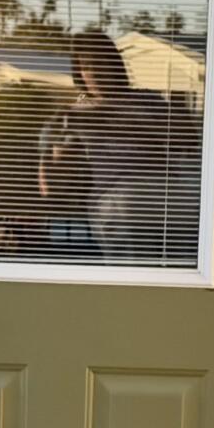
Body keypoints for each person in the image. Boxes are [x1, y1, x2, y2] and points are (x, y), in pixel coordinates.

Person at [37, 28, 197, 265]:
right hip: (121, 199)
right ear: (79, 73)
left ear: (114, 64)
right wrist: (48, 144)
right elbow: (51, 186)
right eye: (87, 65)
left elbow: (188, 140)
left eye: (101, 62)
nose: (95, 71)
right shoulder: (75, 115)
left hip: (168, 194)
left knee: (186, 267)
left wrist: (115, 118)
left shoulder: (147, 100)